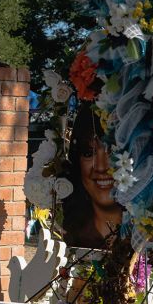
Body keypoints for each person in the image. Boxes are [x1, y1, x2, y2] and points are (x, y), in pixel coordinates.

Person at [61, 104, 123, 248]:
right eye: (89, 153)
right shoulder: (76, 235)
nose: (101, 167)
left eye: (112, 152)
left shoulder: (148, 231)